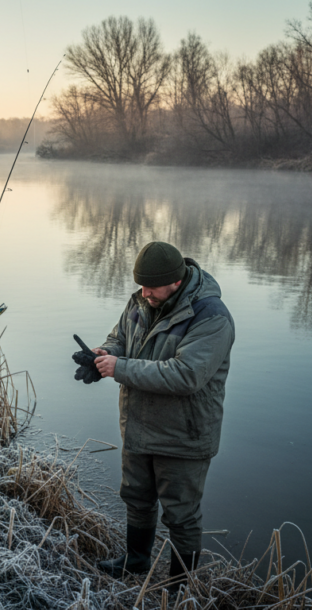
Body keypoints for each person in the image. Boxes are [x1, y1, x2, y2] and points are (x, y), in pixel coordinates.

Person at [74, 242, 234, 584]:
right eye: (141, 285)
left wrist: (119, 367)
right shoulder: (142, 300)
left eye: (151, 287)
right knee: (136, 497)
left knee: (181, 514)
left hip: (184, 435)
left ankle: (180, 586)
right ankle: (135, 562)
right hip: (138, 425)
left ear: (176, 281)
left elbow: (186, 375)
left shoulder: (211, 317)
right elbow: (120, 338)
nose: (144, 293)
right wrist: (103, 355)